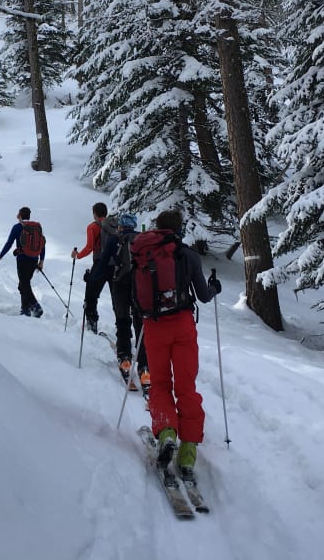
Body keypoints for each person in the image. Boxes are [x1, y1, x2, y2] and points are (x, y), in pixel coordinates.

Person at [143, 209, 221, 480]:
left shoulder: (146, 254)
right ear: (179, 229)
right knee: (186, 387)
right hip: (183, 326)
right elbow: (202, 295)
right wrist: (214, 288)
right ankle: (187, 451)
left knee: (161, 384)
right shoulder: (187, 255)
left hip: (154, 327)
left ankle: (166, 433)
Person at [97, 212, 149, 389]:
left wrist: (91, 278)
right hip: (140, 285)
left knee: (122, 319)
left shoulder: (114, 239)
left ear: (121, 225)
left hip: (120, 283)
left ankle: (125, 357)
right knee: (140, 323)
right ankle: (144, 366)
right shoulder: (143, 239)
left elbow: (104, 262)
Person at [71, 202, 115, 333]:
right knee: (117, 298)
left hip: (100, 264)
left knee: (91, 295)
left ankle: (92, 324)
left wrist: (77, 256)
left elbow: (90, 247)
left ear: (95, 213)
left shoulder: (92, 227)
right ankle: (122, 330)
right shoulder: (114, 225)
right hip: (116, 265)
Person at [0, 207, 44, 317]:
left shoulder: (17, 227)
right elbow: (42, 243)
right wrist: (41, 260)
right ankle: (25, 309)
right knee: (25, 283)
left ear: (20, 215)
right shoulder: (36, 227)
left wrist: (1, 255)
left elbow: (9, 243)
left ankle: (35, 306)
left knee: (23, 284)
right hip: (34, 258)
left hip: (22, 259)